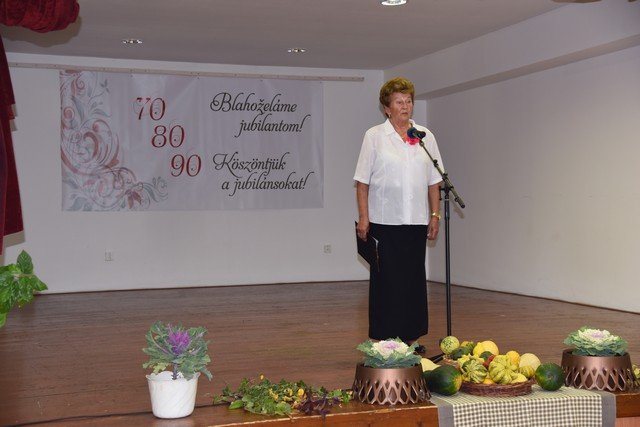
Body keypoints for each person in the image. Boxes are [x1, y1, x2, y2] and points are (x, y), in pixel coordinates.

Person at [353, 77, 443, 349]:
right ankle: (384, 340)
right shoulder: (374, 136)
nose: (405, 106)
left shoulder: (424, 136)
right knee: (387, 283)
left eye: (409, 101)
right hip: (384, 222)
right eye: (399, 102)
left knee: (412, 281)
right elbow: (362, 182)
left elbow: (434, 181)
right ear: (387, 108)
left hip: (415, 221)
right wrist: (364, 217)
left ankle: (411, 339)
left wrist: (435, 215)